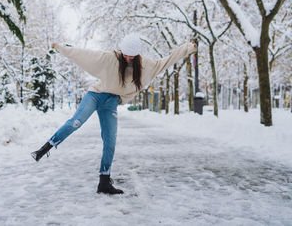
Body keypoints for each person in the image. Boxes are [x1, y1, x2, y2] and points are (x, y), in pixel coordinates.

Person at [31, 33, 197, 195]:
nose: (128, 59)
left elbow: (166, 61)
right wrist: (61, 48)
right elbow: (84, 55)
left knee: (110, 141)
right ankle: (44, 149)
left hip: (111, 103)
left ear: (137, 55)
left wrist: (188, 48)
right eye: (125, 55)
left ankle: (104, 181)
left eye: (132, 56)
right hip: (95, 95)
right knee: (76, 122)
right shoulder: (110, 58)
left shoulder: (146, 65)